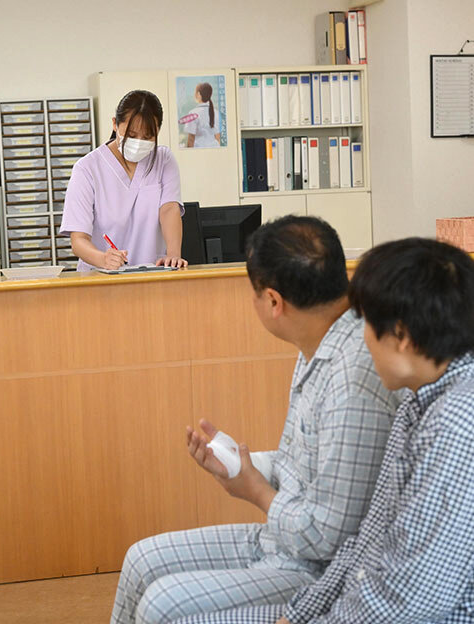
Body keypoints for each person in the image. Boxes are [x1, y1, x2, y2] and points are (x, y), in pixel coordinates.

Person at [110, 216, 398, 624]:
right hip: (281, 539)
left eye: (254, 293)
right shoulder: (317, 344)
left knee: (162, 604)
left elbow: (326, 538)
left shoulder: (352, 381)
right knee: (140, 559)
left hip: (317, 570)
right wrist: (239, 462)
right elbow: (305, 464)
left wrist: (256, 491)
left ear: (274, 302)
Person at [173, 237, 474, 624]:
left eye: (368, 325)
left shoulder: (456, 420)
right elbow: (366, 541)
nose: (361, 339)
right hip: (360, 597)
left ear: (401, 336)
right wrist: (297, 615)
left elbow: (410, 598)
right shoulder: (417, 405)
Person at [60, 90, 188, 270]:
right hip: (101, 277)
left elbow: (169, 209)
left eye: (148, 136)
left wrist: (173, 255)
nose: (139, 142)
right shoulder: (87, 168)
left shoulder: (163, 160)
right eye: (132, 135)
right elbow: (78, 239)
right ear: (115, 124)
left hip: (152, 272)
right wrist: (103, 259)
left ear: (158, 131)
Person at [184, 82, 221, 148]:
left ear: (198, 94)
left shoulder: (192, 113)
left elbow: (191, 139)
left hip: (199, 150)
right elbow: (217, 137)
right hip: (214, 148)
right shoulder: (216, 113)